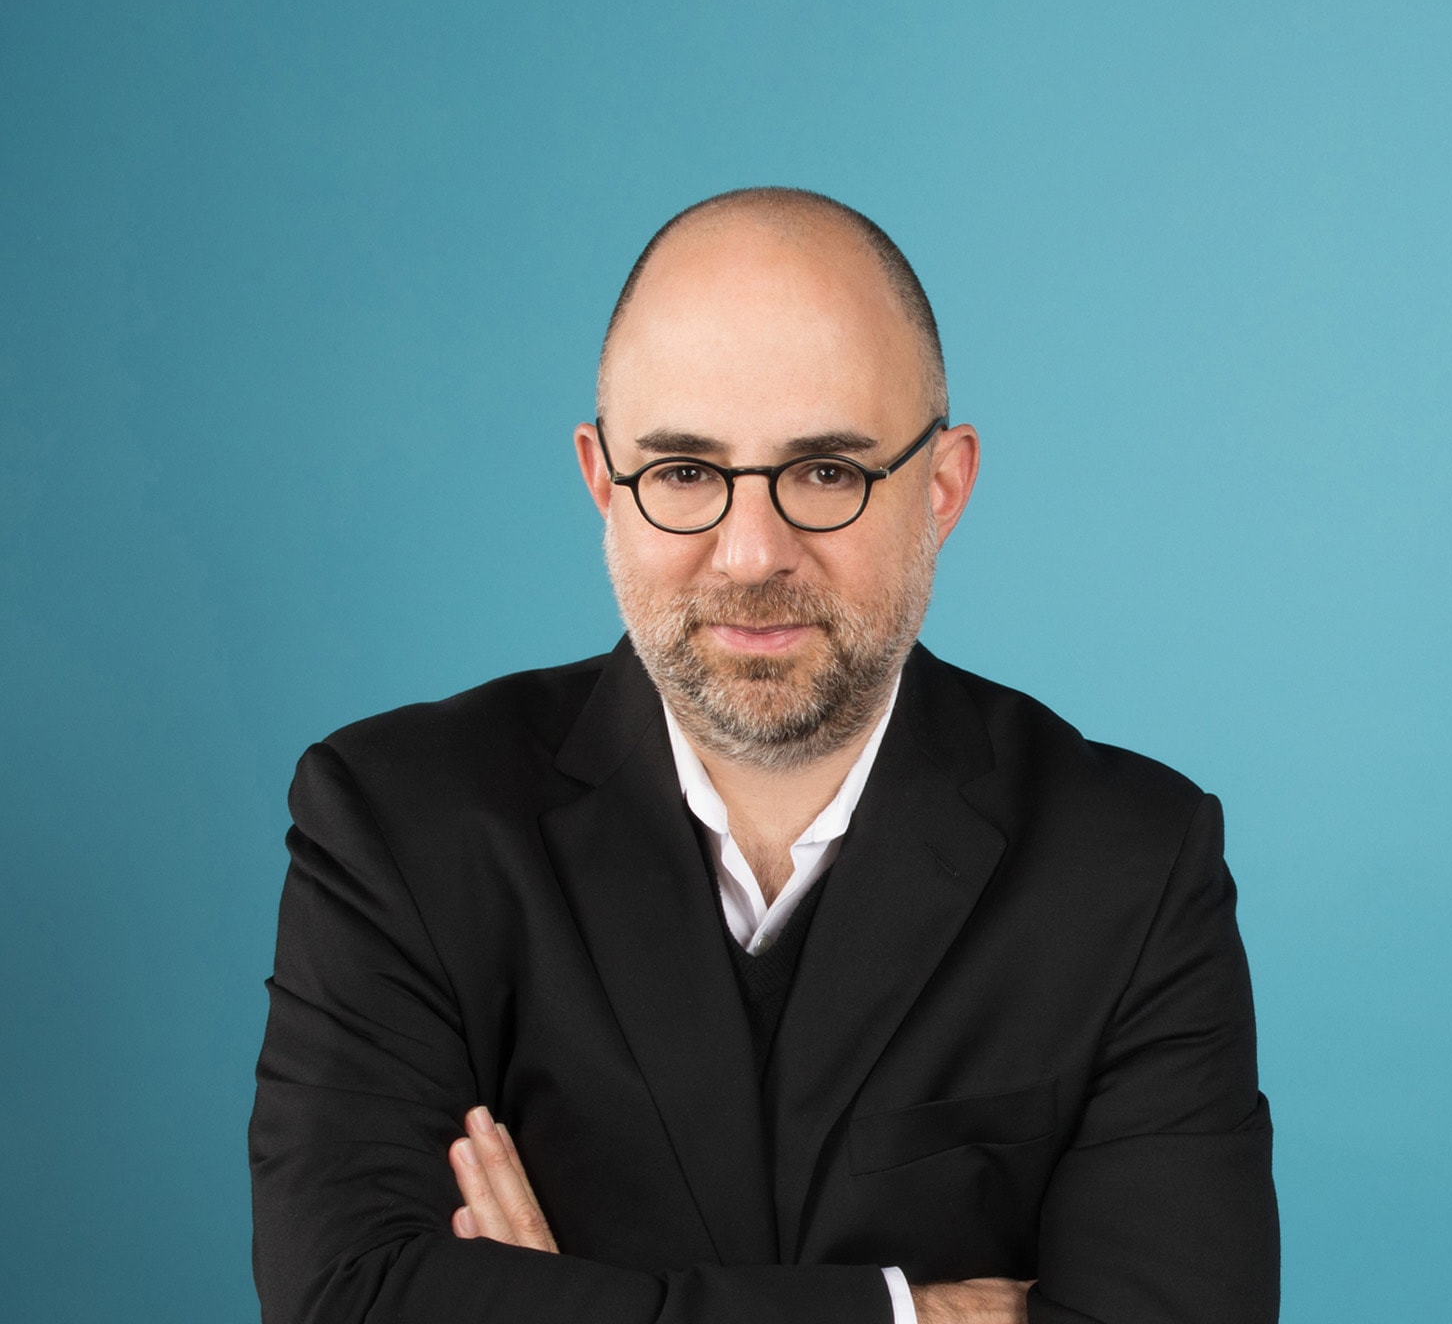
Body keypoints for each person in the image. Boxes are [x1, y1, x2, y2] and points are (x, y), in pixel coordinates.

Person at [250, 187, 1280, 1324]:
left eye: (828, 472)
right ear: (602, 482)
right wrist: (911, 1314)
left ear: (942, 488)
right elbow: (347, 1301)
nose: (750, 554)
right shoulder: (397, 824)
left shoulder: (1131, 865)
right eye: (685, 472)